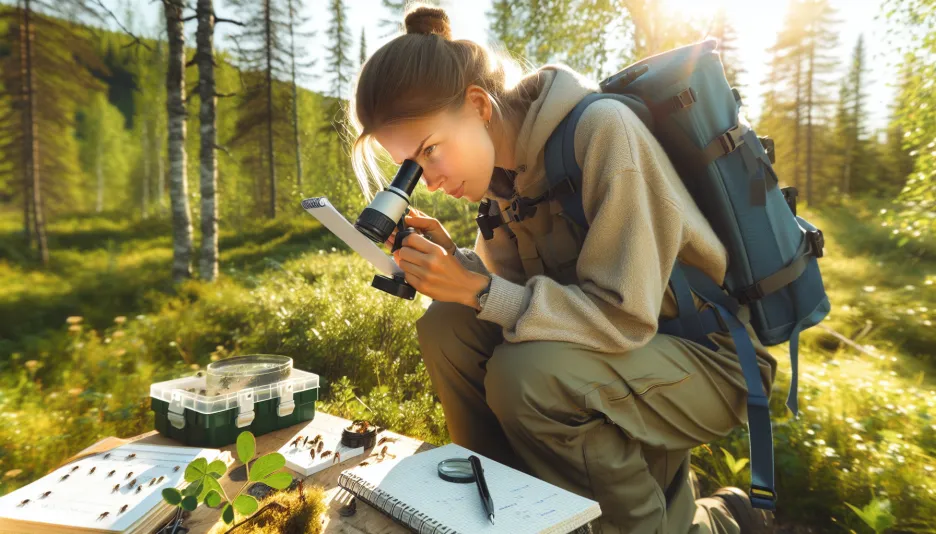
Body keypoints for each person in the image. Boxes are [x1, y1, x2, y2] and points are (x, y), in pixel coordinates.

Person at [348, 4, 778, 533]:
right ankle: (506, 513)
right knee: (448, 327)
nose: (429, 180)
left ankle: (696, 524)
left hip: (709, 358)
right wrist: (459, 269)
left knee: (526, 378)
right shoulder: (502, 185)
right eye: (410, 168)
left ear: (479, 106)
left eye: (430, 152)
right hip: (616, 356)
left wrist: (480, 290)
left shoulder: (601, 131)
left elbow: (624, 317)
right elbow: (518, 304)